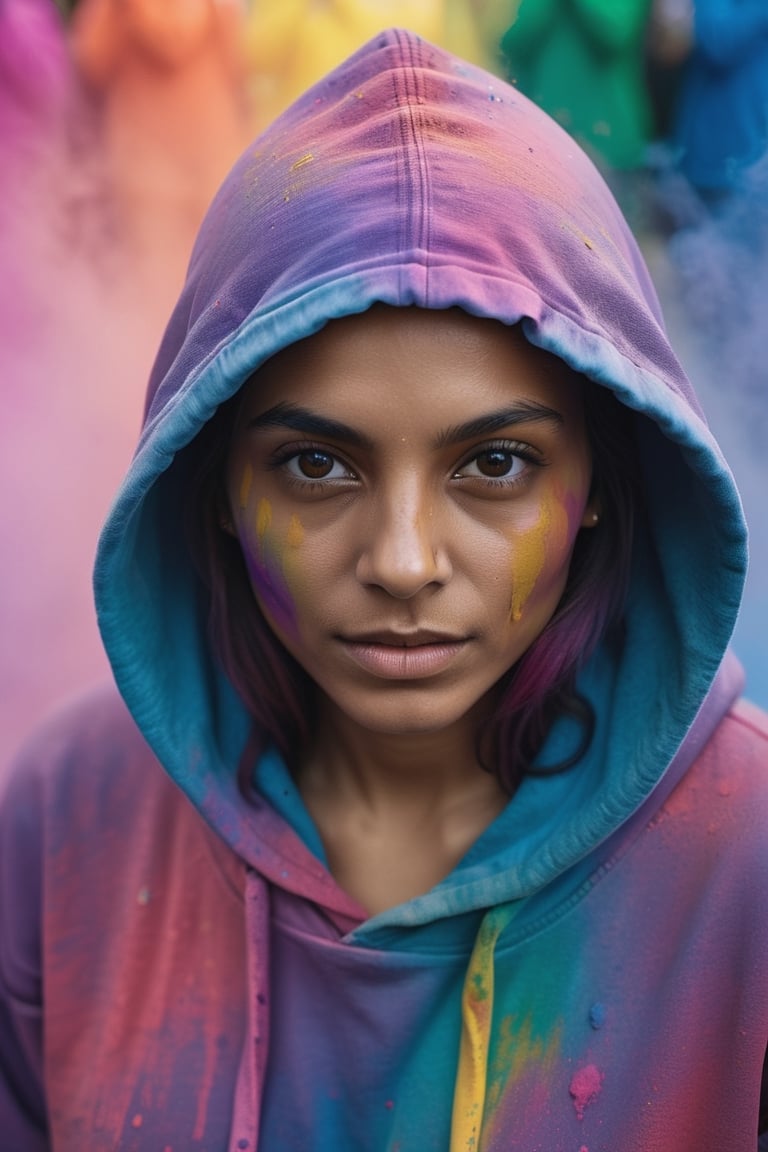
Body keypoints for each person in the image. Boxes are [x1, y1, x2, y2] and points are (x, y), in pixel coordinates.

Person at [0, 26, 766, 1152]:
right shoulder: (71, 820)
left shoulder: (745, 862)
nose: (403, 561)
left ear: (605, 479)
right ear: (210, 483)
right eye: (316, 465)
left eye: (493, 464)